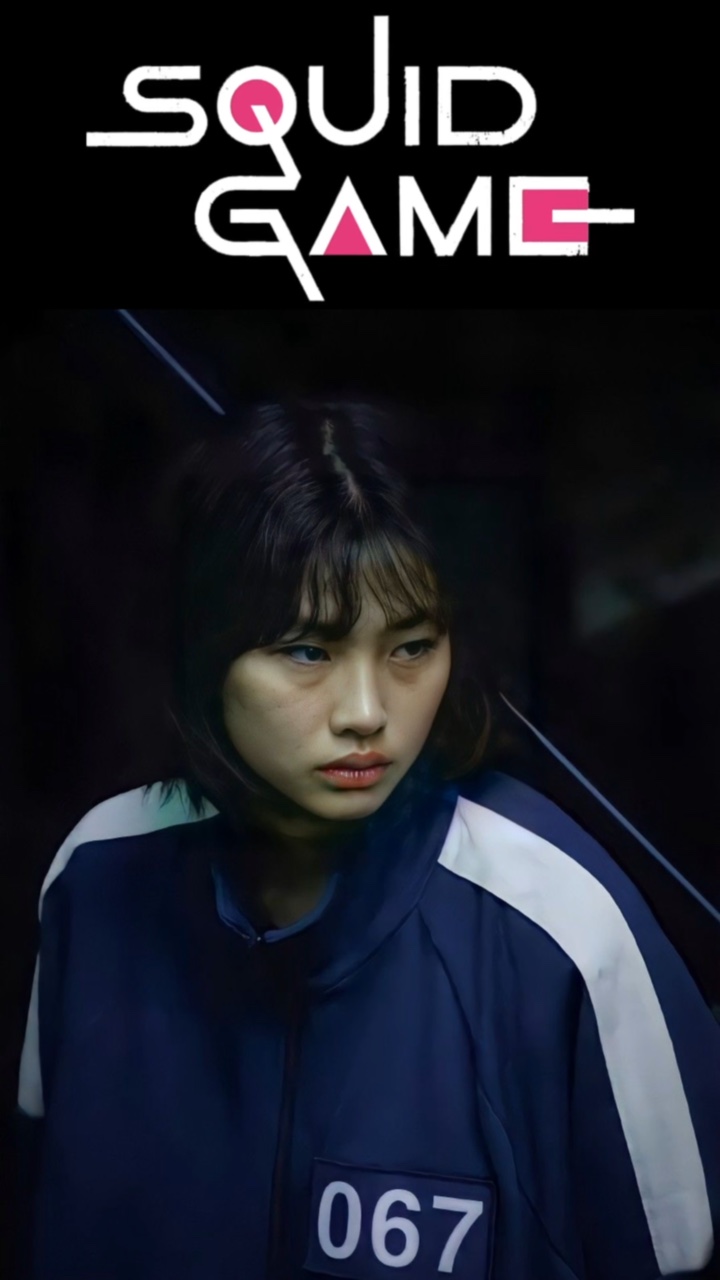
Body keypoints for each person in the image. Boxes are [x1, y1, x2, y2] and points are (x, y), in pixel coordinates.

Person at [14, 399, 720, 1280]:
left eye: (412, 647)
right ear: (202, 649)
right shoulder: (96, 875)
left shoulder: (562, 925)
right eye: (307, 651)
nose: (366, 713)